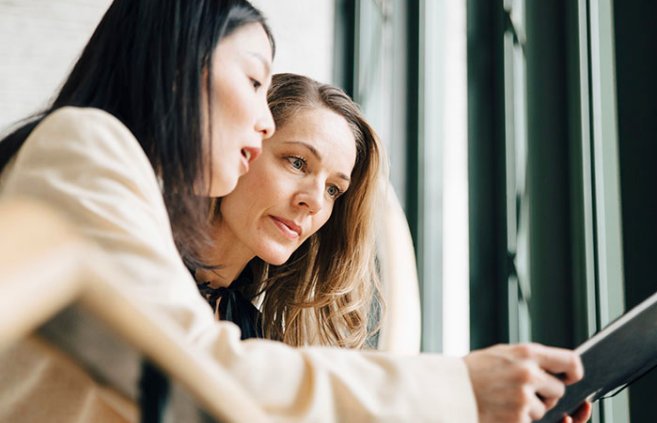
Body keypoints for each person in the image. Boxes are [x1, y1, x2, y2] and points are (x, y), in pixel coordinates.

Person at [0, 1, 590, 422]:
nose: (261, 120)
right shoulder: (85, 142)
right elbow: (197, 374)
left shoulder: (243, 322)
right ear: (178, 64)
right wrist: (462, 391)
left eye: (336, 188)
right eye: (254, 80)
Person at [195, 73, 382, 348]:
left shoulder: (263, 340)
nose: (316, 202)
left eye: (333, 189)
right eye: (297, 163)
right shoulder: (141, 265)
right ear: (242, 148)